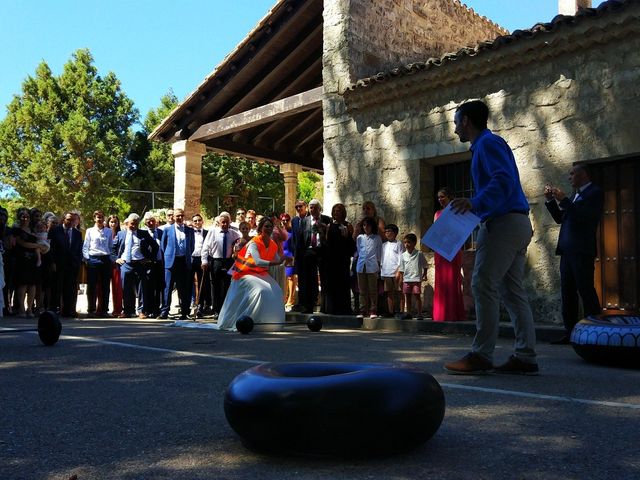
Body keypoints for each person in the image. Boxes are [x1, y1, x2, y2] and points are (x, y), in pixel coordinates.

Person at [444, 100, 538, 376]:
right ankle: (525, 355)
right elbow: (502, 181)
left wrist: (475, 202)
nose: (454, 128)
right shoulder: (487, 145)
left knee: (483, 284)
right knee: (511, 291)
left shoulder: (487, 144)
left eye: (456, 122)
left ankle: (481, 355)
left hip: (503, 223)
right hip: (517, 223)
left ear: (466, 122)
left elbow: (502, 181)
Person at [545, 164, 604, 344]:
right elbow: (562, 218)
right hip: (567, 252)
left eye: (572, 174)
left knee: (585, 290)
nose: (569, 177)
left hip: (581, 251)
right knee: (567, 292)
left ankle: (594, 330)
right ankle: (570, 332)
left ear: (583, 174)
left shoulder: (595, 193)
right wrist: (551, 201)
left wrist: (564, 200)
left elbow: (584, 217)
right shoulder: (575, 195)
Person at [214, 217, 290, 331]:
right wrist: (278, 261)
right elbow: (258, 261)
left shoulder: (273, 244)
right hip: (244, 273)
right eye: (266, 226)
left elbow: (277, 261)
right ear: (260, 228)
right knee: (260, 290)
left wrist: (285, 261)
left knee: (277, 290)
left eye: (270, 226)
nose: (268, 229)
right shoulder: (254, 243)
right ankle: (251, 321)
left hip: (260, 273)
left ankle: (270, 323)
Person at [432, 188, 466, 322]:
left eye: (443, 196)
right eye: (438, 197)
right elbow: (435, 231)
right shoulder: (437, 213)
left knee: (452, 279)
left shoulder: (456, 211)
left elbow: (461, 230)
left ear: (449, 197)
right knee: (441, 280)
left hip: (452, 248)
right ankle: (441, 314)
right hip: (440, 249)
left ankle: (454, 314)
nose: (440, 199)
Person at [115, 213, 158, 318]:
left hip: (140, 264)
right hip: (126, 264)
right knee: (127, 289)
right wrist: (116, 258)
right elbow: (113, 247)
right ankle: (128, 311)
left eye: (136, 224)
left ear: (138, 224)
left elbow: (155, 246)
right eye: (131, 224)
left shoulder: (144, 234)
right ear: (127, 223)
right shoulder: (121, 234)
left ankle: (142, 311)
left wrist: (149, 259)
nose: (133, 226)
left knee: (142, 289)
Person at [201, 212, 240, 317]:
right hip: (216, 261)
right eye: (223, 222)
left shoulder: (234, 233)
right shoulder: (213, 232)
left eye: (227, 222)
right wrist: (204, 261)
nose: (225, 225)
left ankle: (226, 309)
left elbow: (240, 243)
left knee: (227, 285)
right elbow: (205, 247)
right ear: (218, 223)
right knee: (215, 285)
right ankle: (216, 309)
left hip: (228, 262)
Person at [296, 199, 331, 314]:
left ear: (320, 209)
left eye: (315, 207)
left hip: (323, 251)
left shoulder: (326, 220)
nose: (313, 210)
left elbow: (330, 238)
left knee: (325, 278)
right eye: (311, 208)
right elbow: (300, 239)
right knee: (309, 279)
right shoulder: (305, 221)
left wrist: (324, 229)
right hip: (309, 251)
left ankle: (325, 306)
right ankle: (308, 305)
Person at [49, 211, 83, 318]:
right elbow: (51, 249)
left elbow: (79, 249)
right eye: (68, 219)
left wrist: (77, 261)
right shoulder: (55, 231)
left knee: (70, 289)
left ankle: (68, 310)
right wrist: (52, 262)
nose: (71, 222)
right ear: (64, 219)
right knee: (57, 288)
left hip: (72, 265)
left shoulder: (77, 233)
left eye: (73, 220)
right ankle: (54, 310)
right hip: (58, 264)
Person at [323, 203, 355, 315]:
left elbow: (352, 244)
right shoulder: (329, 226)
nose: (337, 213)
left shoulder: (348, 225)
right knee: (332, 282)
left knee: (343, 282)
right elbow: (327, 241)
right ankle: (332, 308)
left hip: (343, 258)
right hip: (331, 258)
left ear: (343, 213)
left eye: (339, 211)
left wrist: (346, 237)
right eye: (335, 211)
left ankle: (344, 308)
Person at [82, 210, 112, 317]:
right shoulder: (89, 231)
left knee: (105, 286)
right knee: (92, 286)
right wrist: (87, 259)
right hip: (93, 259)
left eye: (102, 217)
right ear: (94, 218)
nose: (100, 219)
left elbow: (110, 246)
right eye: (98, 217)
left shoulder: (108, 231)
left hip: (105, 259)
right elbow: (86, 246)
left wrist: (111, 258)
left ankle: (104, 310)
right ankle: (91, 310)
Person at [13, 208, 41, 318]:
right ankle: (21, 309)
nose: (25, 218)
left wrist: (39, 247)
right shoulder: (17, 230)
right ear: (19, 218)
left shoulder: (33, 230)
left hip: (33, 261)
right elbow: (22, 243)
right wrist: (38, 246)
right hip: (21, 260)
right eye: (23, 216)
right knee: (23, 284)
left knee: (32, 285)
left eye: (27, 216)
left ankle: (30, 309)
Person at [355, 216, 383, 319]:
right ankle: (363, 310)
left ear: (372, 226)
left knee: (373, 289)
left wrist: (379, 265)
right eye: (364, 225)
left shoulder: (377, 238)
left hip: (372, 266)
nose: (366, 227)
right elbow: (359, 251)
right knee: (362, 290)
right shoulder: (360, 238)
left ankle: (373, 309)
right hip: (361, 265)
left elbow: (379, 253)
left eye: (368, 225)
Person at [397, 233, 427, 320]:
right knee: (408, 296)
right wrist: (401, 280)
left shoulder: (419, 254)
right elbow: (402, 269)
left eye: (409, 242)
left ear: (414, 243)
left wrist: (425, 274)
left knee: (417, 296)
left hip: (416, 279)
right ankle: (409, 313)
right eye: (405, 242)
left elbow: (425, 265)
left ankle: (419, 313)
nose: (406, 244)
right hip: (406, 279)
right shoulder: (403, 255)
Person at [380, 224, 404, 317]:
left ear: (395, 233)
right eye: (386, 231)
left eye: (389, 231)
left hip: (396, 272)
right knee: (389, 293)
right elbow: (382, 258)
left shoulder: (399, 244)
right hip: (386, 271)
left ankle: (400, 311)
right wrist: (382, 271)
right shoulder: (384, 245)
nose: (387, 233)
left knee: (399, 292)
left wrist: (399, 271)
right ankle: (391, 311)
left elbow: (401, 258)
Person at [190, 213, 210, 317]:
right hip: (191, 259)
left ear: (202, 221)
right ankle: (190, 305)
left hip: (202, 259)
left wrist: (205, 260)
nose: (197, 222)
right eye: (195, 221)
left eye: (199, 220)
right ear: (192, 223)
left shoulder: (207, 233)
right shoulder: (189, 232)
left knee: (203, 283)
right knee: (190, 283)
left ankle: (200, 306)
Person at [107, 215, 123, 317]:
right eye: (111, 222)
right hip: (104, 263)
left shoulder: (120, 234)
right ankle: (101, 309)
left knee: (117, 288)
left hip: (116, 264)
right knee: (102, 288)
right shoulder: (104, 232)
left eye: (115, 222)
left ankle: (117, 310)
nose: (113, 224)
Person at [281, 213, 297, 310]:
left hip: (291, 255)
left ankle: (291, 299)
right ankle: (284, 298)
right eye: (283, 220)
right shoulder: (280, 232)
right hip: (282, 255)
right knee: (283, 278)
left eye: (287, 220)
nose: (285, 222)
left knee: (291, 277)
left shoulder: (293, 231)